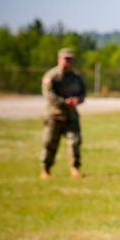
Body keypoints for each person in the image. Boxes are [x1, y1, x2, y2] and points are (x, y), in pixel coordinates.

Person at [41, 48, 86, 178]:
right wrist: (64, 102)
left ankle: (74, 168)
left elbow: (83, 93)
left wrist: (77, 100)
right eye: (66, 58)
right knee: (49, 143)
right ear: (59, 59)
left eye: (70, 59)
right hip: (54, 116)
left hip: (71, 116)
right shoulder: (51, 76)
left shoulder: (76, 77)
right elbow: (49, 95)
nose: (68, 61)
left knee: (74, 142)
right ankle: (45, 169)